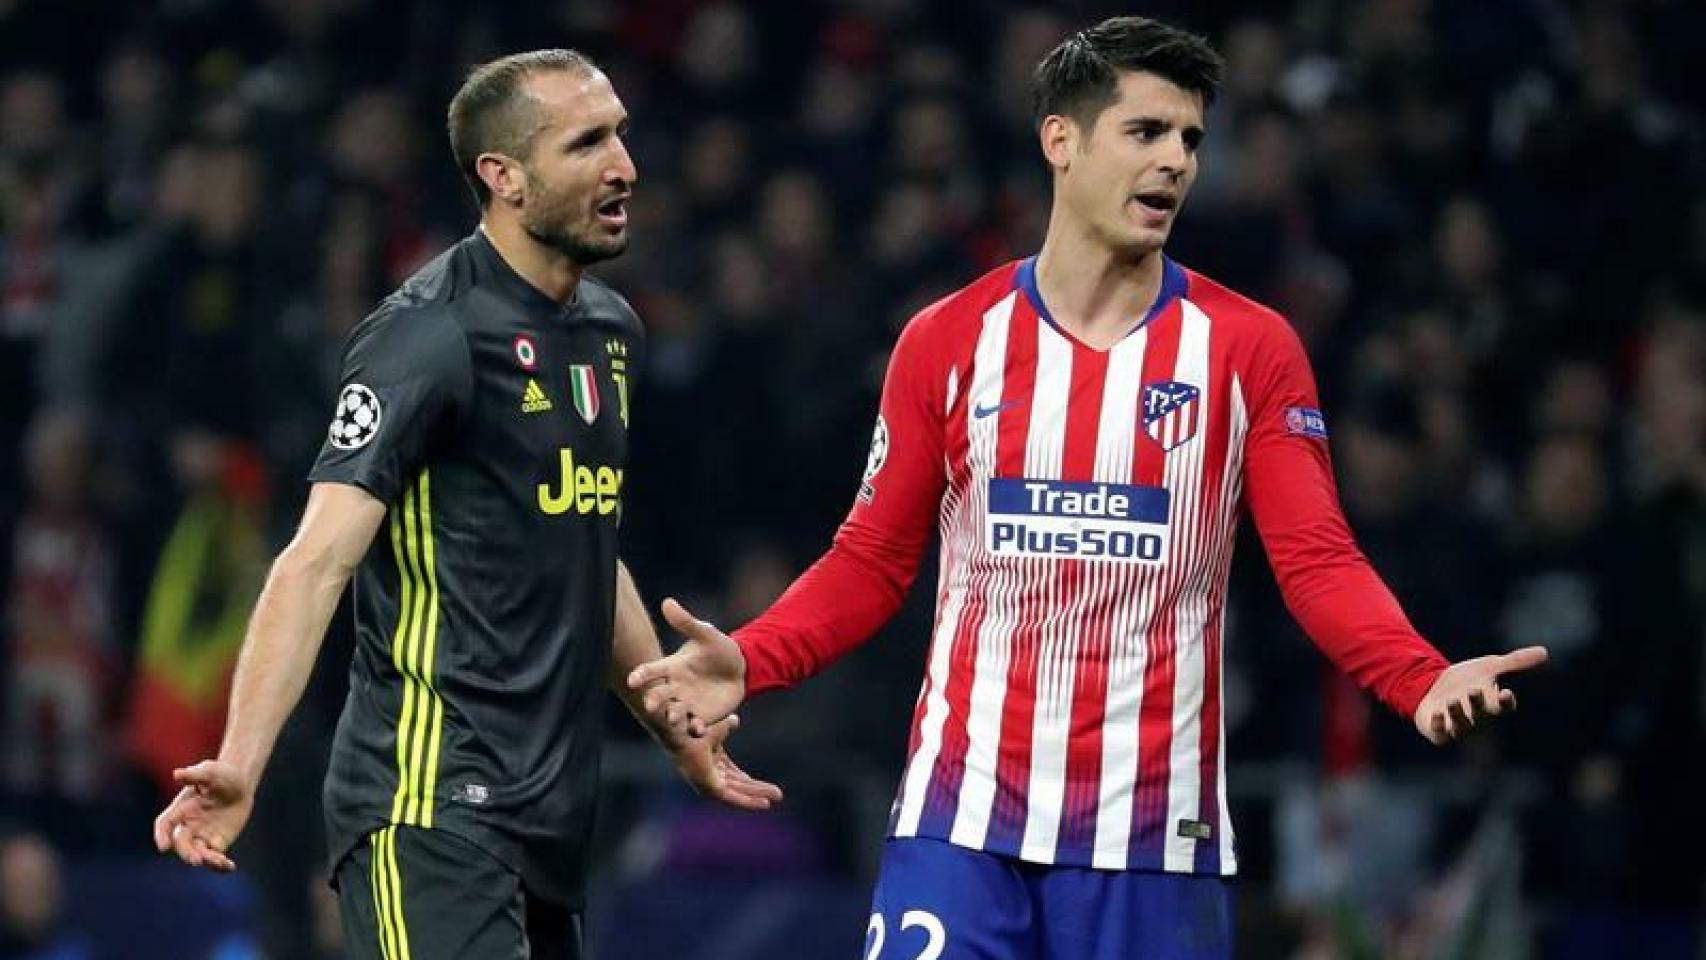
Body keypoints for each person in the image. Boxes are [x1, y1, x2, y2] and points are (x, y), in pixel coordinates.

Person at [628, 18, 1546, 960]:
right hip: (961, 821)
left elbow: (1316, 562)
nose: (1177, 162)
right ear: (1060, 141)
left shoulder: (1248, 348)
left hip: (1151, 843)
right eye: (1146, 133)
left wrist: (1418, 674)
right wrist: (750, 658)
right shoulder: (948, 340)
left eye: (1191, 138)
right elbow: (870, 560)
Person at [152, 49, 780, 960]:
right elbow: (316, 559)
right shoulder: (426, 335)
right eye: (588, 143)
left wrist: (668, 720)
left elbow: (582, 541)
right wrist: (241, 763)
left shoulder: (610, 331)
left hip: (551, 818)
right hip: (427, 808)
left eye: (622, 137)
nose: (625, 167)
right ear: (505, 178)